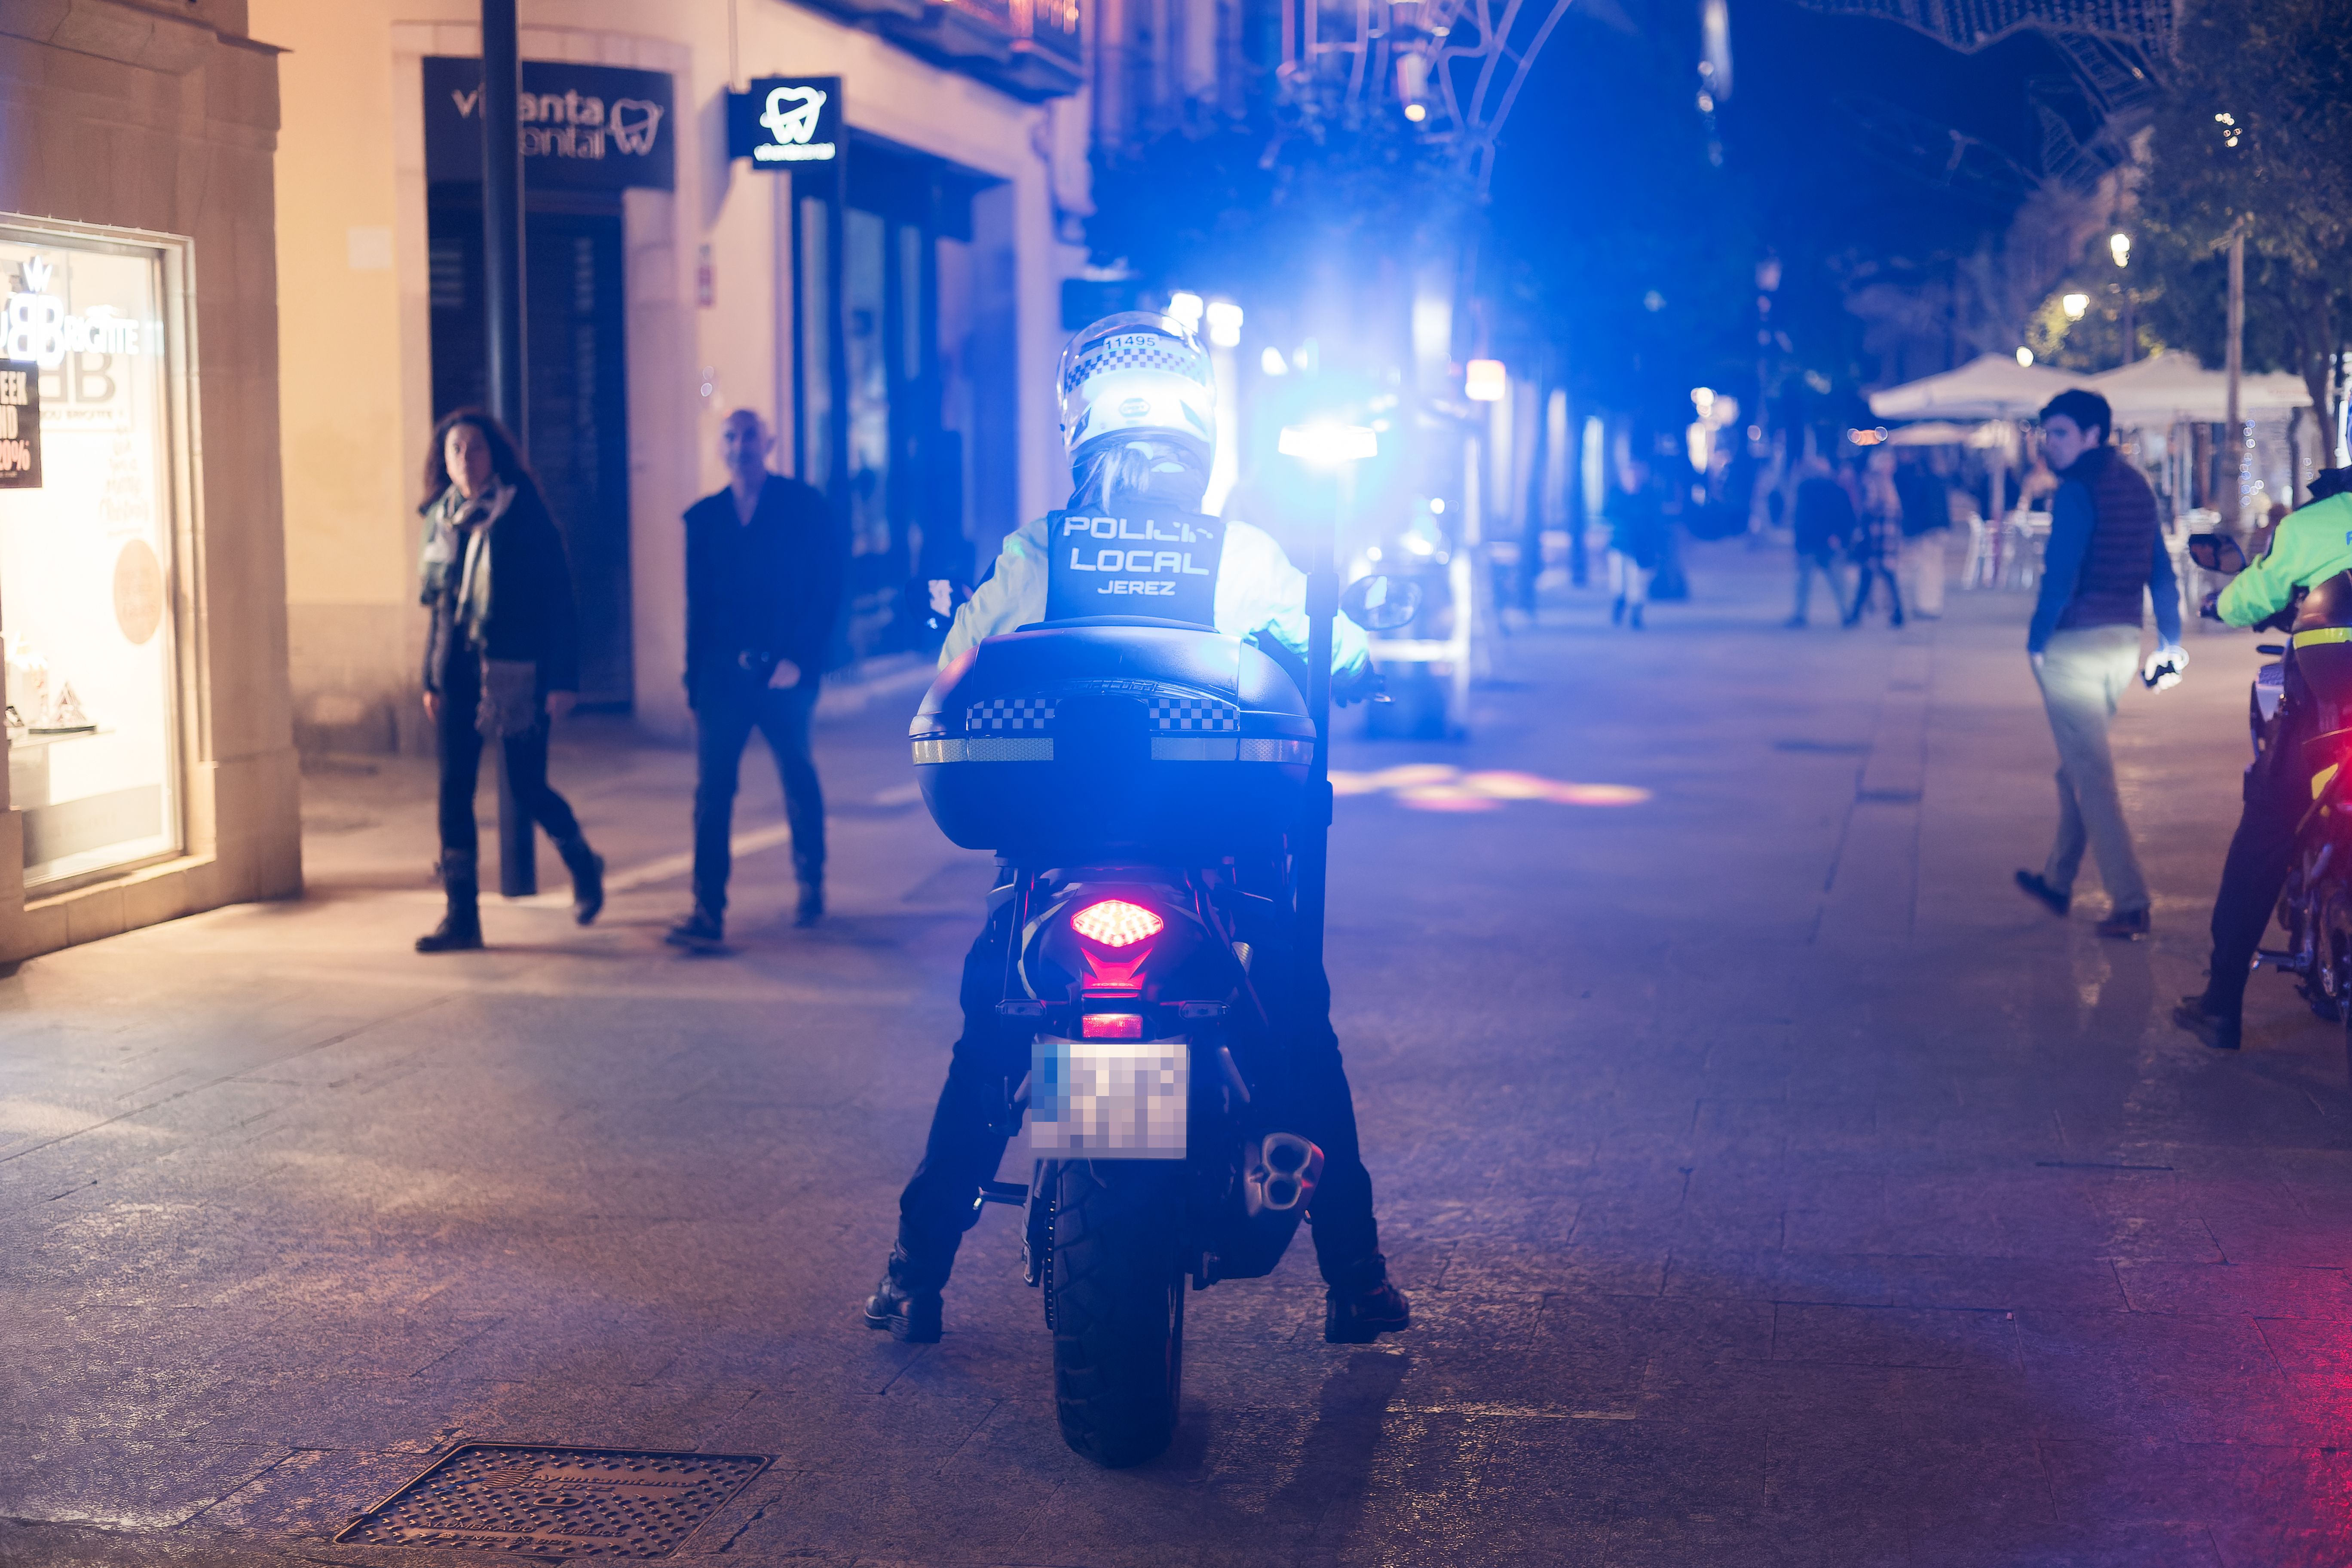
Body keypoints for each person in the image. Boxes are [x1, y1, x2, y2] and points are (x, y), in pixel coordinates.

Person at [864, 311, 1409, 1348]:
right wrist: (1359, 656)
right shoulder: (1236, 556)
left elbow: (957, 660)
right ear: (1196, 448)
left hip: (1055, 864)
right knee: (1297, 1037)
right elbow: (1328, 646)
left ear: (1083, 441)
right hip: (1211, 864)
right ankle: (1354, 1276)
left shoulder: (1039, 550)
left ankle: (915, 1270)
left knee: (990, 1044)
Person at [2174, 468, 2352, 1051]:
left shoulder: (2312, 524)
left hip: (2326, 714)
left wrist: (2220, 600)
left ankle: (2222, 1000)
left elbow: (2251, 594)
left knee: (2266, 832)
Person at [414, 409, 603, 952]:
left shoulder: (525, 517)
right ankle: (462, 916)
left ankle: (583, 864)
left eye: (474, 449)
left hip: (517, 672)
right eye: (454, 451)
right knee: (454, 791)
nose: (465, 460)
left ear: (494, 455)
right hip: (456, 672)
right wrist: (430, 675)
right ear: (443, 461)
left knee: (526, 787)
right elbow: (440, 608)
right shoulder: (441, 520)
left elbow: (559, 603)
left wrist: (562, 679)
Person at [667, 410, 843, 951]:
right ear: (719, 448)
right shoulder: (704, 519)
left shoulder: (803, 507)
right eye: (731, 437)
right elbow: (697, 606)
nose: (741, 446)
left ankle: (811, 880)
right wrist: (694, 682)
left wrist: (803, 660)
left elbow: (828, 588)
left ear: (768, 443)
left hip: (786, 670)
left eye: (749, 436)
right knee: (713, 790)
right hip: (723, 674)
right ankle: (707, 908)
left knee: (797, 772)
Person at [2012, 389, 2184, 940]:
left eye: (2060, 433)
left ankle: (2130, 902)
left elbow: (2060, 575)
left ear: (2092, 434)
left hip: (2075, 647)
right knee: (2078, 768)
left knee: (2093, 777)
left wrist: (2037, 641)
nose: (2050, 444)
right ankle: (2058, 882)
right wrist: (2170, 639)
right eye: (2047, 433)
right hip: (2122, 642)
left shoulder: (2077, 490)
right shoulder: (2136, 484)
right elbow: (2160, 570)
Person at [1786, 454, 1856, 627]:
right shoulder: (1833, 489)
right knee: (1835, 580)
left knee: (1809, 580)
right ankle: (1846, 613)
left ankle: (1802, 615)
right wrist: (1840, 536)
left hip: (1814, 541)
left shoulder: (1808, 488)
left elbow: (1801, 517)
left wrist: (1799, 541)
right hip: (1824, 541)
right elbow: (1845, 516)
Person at [1844, 447, 1906, 628]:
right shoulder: (1875, 484)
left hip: (1886, 538)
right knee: (1875, 577)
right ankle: (1895, 614)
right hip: (1877, 539)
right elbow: (1869, 512)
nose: (1892, 467)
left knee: (1877, 577)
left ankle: (1859, 614)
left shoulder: (1888, 484)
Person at [1605, 452, 1666, 629]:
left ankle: (1636, 616)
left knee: (1638, 583)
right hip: (1620, 545)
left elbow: (1656, 522)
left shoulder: (1649, 497)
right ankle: (1619, 604)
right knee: (1619, 581)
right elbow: (1610, 516)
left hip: (1641, 548)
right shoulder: (1616, 495)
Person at [1894, 450, 1952, 619]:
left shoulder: (1923, 482)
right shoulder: (1940, 481)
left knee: (1925, 568)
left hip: (1927, 530)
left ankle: (1926, 605)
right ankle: (1934, 604)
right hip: (1938, 529)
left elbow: (1918, 508)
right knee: (1935, 568)